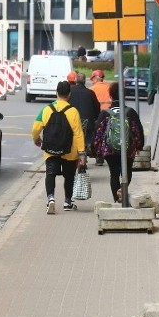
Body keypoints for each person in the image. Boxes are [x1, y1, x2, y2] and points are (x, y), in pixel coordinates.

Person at [31, 80, 87, 214]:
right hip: (70, 151)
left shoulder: (46, 109)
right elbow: (78, 134)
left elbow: (35, 128)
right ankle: (67, 201)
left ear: (56, 93)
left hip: (51, 149)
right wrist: (82, 154)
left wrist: (36, 139)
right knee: (69, 176)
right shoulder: (73, 111)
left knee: (50, 173)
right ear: (69, 95)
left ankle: (50, 198)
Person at [92, 81, 145, 203]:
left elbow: (98, 132)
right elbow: (138, 130)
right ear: (124, 95)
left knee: (114, 174)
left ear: (110, 95)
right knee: (127, 172)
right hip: (128, 149)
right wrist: (139, 146)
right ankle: (122, 190)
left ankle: (117, 200)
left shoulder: (105, 113)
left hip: (109, 150)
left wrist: (96, 150)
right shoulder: (130, 112)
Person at [68, 71, 99, 153]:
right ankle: (88, 146)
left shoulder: (70, 91)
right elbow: (97, 107)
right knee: (87, 137)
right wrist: (95, 118)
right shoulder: (90, 93)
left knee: (74, 139)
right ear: (85, 81)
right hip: (88, 122)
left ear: (76, 80)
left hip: (73, 121)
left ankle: (80, 157)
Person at [89, 69, 111, 165]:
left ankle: (99, 157)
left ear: (95, 78)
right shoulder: (109, 87)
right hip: (110, 114)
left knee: (98, 136)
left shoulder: (92, 89)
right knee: (107, 136)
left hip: (98, 115)